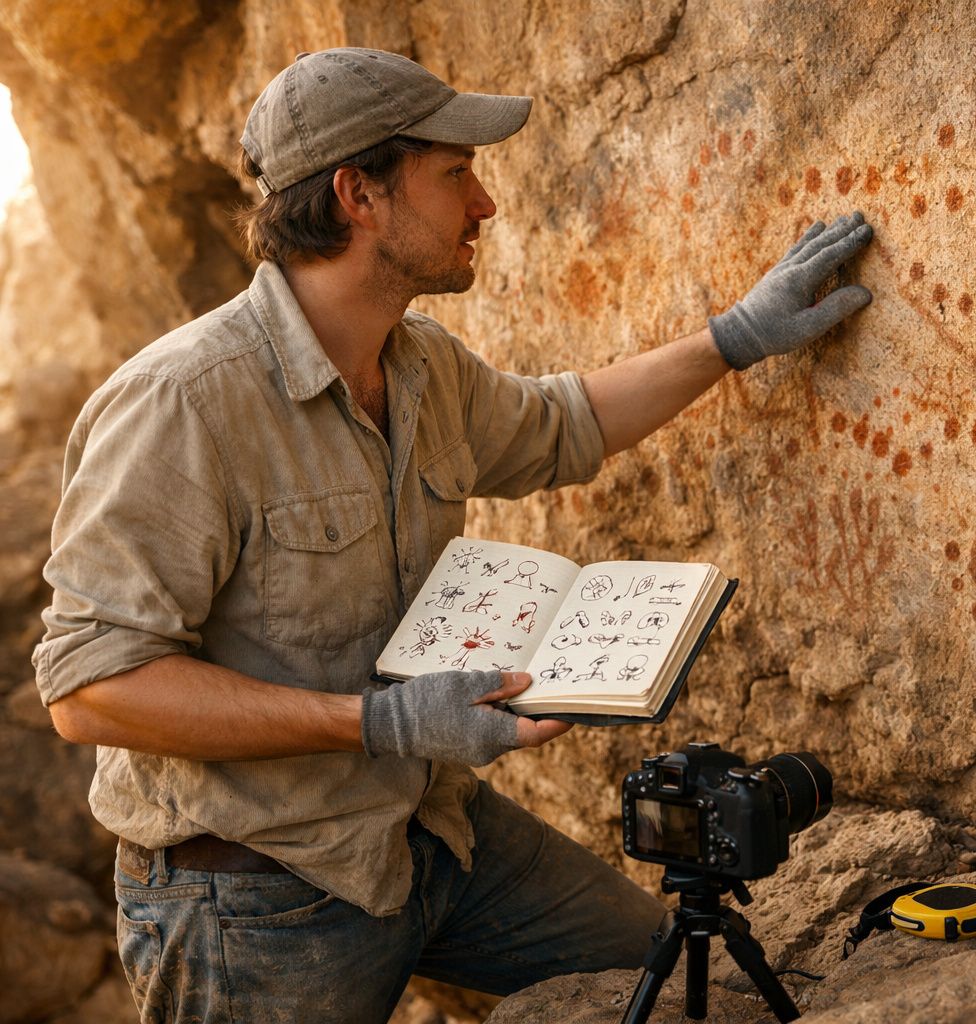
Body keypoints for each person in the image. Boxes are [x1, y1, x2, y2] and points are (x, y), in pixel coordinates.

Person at [32, 48, 873, 1023]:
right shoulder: (183, 402)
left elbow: (563, 424)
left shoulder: (422, 363)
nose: (486, 204)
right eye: (454, 173)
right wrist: (378, 722)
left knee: (697, 996)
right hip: (254, 891)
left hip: (435, 833)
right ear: (358, 195)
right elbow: (90, 690)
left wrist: (734, 339)